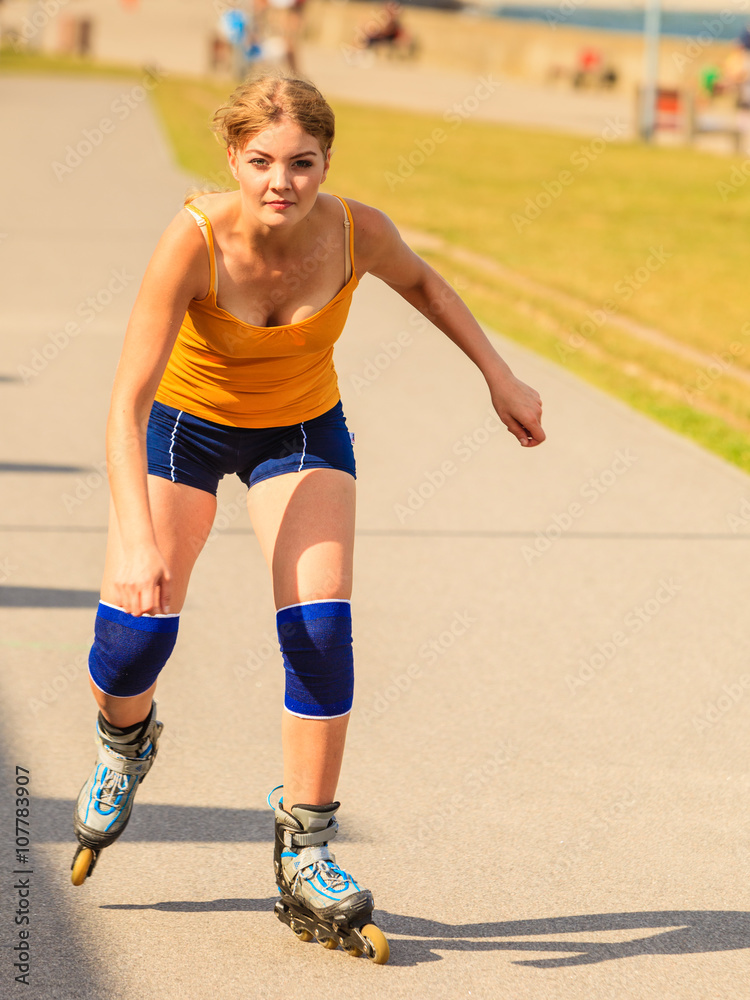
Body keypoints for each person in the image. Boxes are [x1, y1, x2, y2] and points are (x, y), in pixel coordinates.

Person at [70, 75, 545, 960]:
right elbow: (124, 405)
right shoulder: (193, 239)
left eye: (302, 162)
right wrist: (136, 538)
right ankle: (122, 740)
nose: (280, 181)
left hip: (300, 431)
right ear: (232, 160)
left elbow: (427, 285)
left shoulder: (355, 230)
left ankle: (307, 847)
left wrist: (499, 376)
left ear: (327, 161)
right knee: (137, 633)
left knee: (321, 631)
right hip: (183, 432)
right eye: (260, 162)